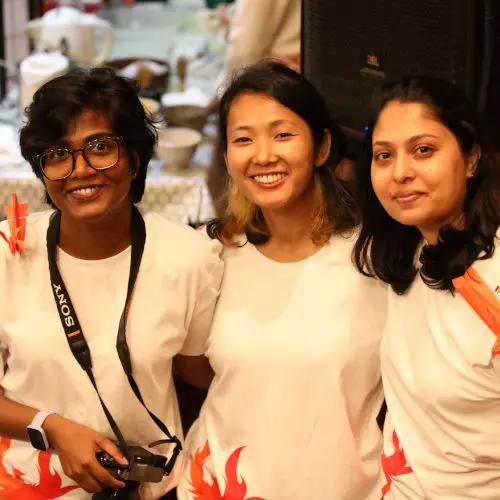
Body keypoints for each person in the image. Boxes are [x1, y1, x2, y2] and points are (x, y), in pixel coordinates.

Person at [0, 68, 223, 499]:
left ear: (135, 159)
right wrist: (52, 427)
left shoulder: (188, 256)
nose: (80, 170)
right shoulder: (9, 252)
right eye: (58, 153)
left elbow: (203, 376)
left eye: (100, 147)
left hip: (150, 484)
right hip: (30, 483)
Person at [176, 61, 388, 500]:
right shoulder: (211, 254)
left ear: (322, 147)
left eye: (283, 134)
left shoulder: (376, 258)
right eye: (243, 139)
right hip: (218, 486)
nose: (263, 154)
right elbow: (195, 370)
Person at [353, 75, 500, 499]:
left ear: (471, 158)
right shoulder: (410, 250)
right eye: (384, 155)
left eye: (423, 150)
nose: (400, 172)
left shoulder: (491, 281)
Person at [206, 0, 301, 215]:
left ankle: (243, 241)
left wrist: (224, 96)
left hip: (270, 83)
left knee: (229, 186)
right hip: (289, 79)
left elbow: (246, 47)